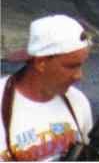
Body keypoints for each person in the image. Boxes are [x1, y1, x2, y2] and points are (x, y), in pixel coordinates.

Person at [2, 15, 93, 161]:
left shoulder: (78, 101)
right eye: (71, 66)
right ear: (41, 63)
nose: (79, 76)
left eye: (80, 65)